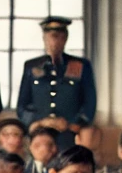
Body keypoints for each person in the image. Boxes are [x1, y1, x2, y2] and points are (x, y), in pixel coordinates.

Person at [15, 16, 95, 150]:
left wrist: (73, 124)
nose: (54, 41)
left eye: (58, 36)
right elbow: (22, 106)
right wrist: (36, 121)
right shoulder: (32, 66)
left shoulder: (80, 65)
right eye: (50, 36)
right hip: (39, 131)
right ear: (44, 38)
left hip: (69, 133)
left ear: (65, 39)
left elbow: (90, 103)